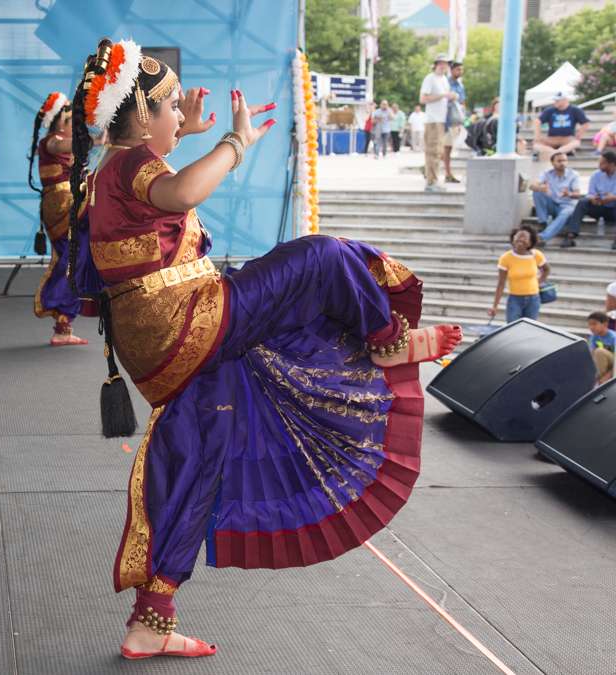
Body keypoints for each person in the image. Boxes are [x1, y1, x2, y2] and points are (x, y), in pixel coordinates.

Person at [65, 38, 462, 661]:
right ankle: (384, 341)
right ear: (142, 118)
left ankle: (152, 619)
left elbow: (154, 201)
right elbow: (182, 195)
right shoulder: (134, 169)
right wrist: (234, 142)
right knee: (321, 257)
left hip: (163, 342)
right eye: (171, 106)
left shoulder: (107, 172)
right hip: (187, 320)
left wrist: (185, 136)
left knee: (197, 454)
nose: (182, 115)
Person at [27, 91, 93, 346]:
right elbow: (67, 145)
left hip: (68, 203)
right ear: (60, 123)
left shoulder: (64, 146)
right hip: (61, 204)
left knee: (73, 257)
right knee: (74, 256)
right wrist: (93, 140)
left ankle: (63, 325)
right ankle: (58, 307)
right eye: (70, 120)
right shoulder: (51, 142)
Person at [489, 226, 550, 322]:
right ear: (513, 239)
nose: (520, 239)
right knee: (512, 328)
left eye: (524, 237)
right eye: (518, 237)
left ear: (530, 242)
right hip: (514, 300)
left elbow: (546, 270)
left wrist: (538, 282)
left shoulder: (536, 255)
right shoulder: (506, 258)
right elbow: (501, 284)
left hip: (533, 299)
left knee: (529, 329)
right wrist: (494, 306)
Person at [562, 150, 616, 249]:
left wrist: (613, 197)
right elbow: (590, 194)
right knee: (583, 202)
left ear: (612, 164)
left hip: (613, 210)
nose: (599, 165)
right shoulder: (596, 175)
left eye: (602, 163)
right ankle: (571, 236)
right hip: (599, 206)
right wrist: (592, 199)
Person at [419, 55, 455, 191]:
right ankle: (431, 181)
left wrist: (450, 96)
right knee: (433, 151)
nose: (444, 66)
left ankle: (433, 178)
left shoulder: (444, 79)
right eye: (441, 63)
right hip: (433, 120)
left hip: (441, 119)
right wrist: (443, 96)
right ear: (436, 64)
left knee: (439, 151)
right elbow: (423, 98)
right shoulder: (430, 78)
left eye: (446, 64)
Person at [530, 151, 582, 243]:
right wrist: (541, 188)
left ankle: (542, 237)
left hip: (567, 206)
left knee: (566, 213)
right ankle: (543, 222)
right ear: (552, 163)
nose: (562, 163)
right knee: (537, 192)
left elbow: (578, 194)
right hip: (553, 204)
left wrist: (569, 194)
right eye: (559, 161)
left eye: (565, 160)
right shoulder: (547, 173)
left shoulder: (573, 174)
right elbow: (532, 186)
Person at [533, 93, 589, 159]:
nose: (555, 102)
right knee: (536, 145)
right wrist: (537, 137)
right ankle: (557, 152)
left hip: (567, 138)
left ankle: (554, 153)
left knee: (576, 143)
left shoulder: (575, 110)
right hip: (552, 138)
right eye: (555, 100)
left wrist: (579, 135)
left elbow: (585, 123)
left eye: (557, 101)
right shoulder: (550, 110)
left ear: (565, 100)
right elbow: (537, 121)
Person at [442, 61, 466, 183]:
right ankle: (447, 173)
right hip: (445, 120)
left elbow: (462, 102)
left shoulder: (460, 85)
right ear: (452, 70)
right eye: (458, 70)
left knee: (448, 148)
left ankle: (445, 172)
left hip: (455, 121)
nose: (460, 72)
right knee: (445, 148)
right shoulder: (445, 83)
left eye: (461, 70)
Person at [586, 311, 615, 385]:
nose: (591, 327)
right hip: (603, 366)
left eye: (594, 324)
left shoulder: (613, 337)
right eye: (589, 324)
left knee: (599, 352)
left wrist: (608, 375)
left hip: (613, 365)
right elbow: (591, 356)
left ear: (605, 324)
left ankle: (597, 382)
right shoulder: (593, 337)